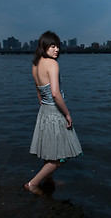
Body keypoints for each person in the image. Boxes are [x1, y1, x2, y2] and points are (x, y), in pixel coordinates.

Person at [24, 31, 83, 194]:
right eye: (52, 46)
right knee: (59, 157)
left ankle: (49, 180)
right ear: (44, 47)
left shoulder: (35, 65)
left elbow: (38, 92)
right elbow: (56, 94)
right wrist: (67, 114)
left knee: (50, 149)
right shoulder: (52, 64)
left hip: (44, 110)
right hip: (54, 110)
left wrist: (45, 107)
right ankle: (33, 184)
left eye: (58, 46)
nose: (56, 49)